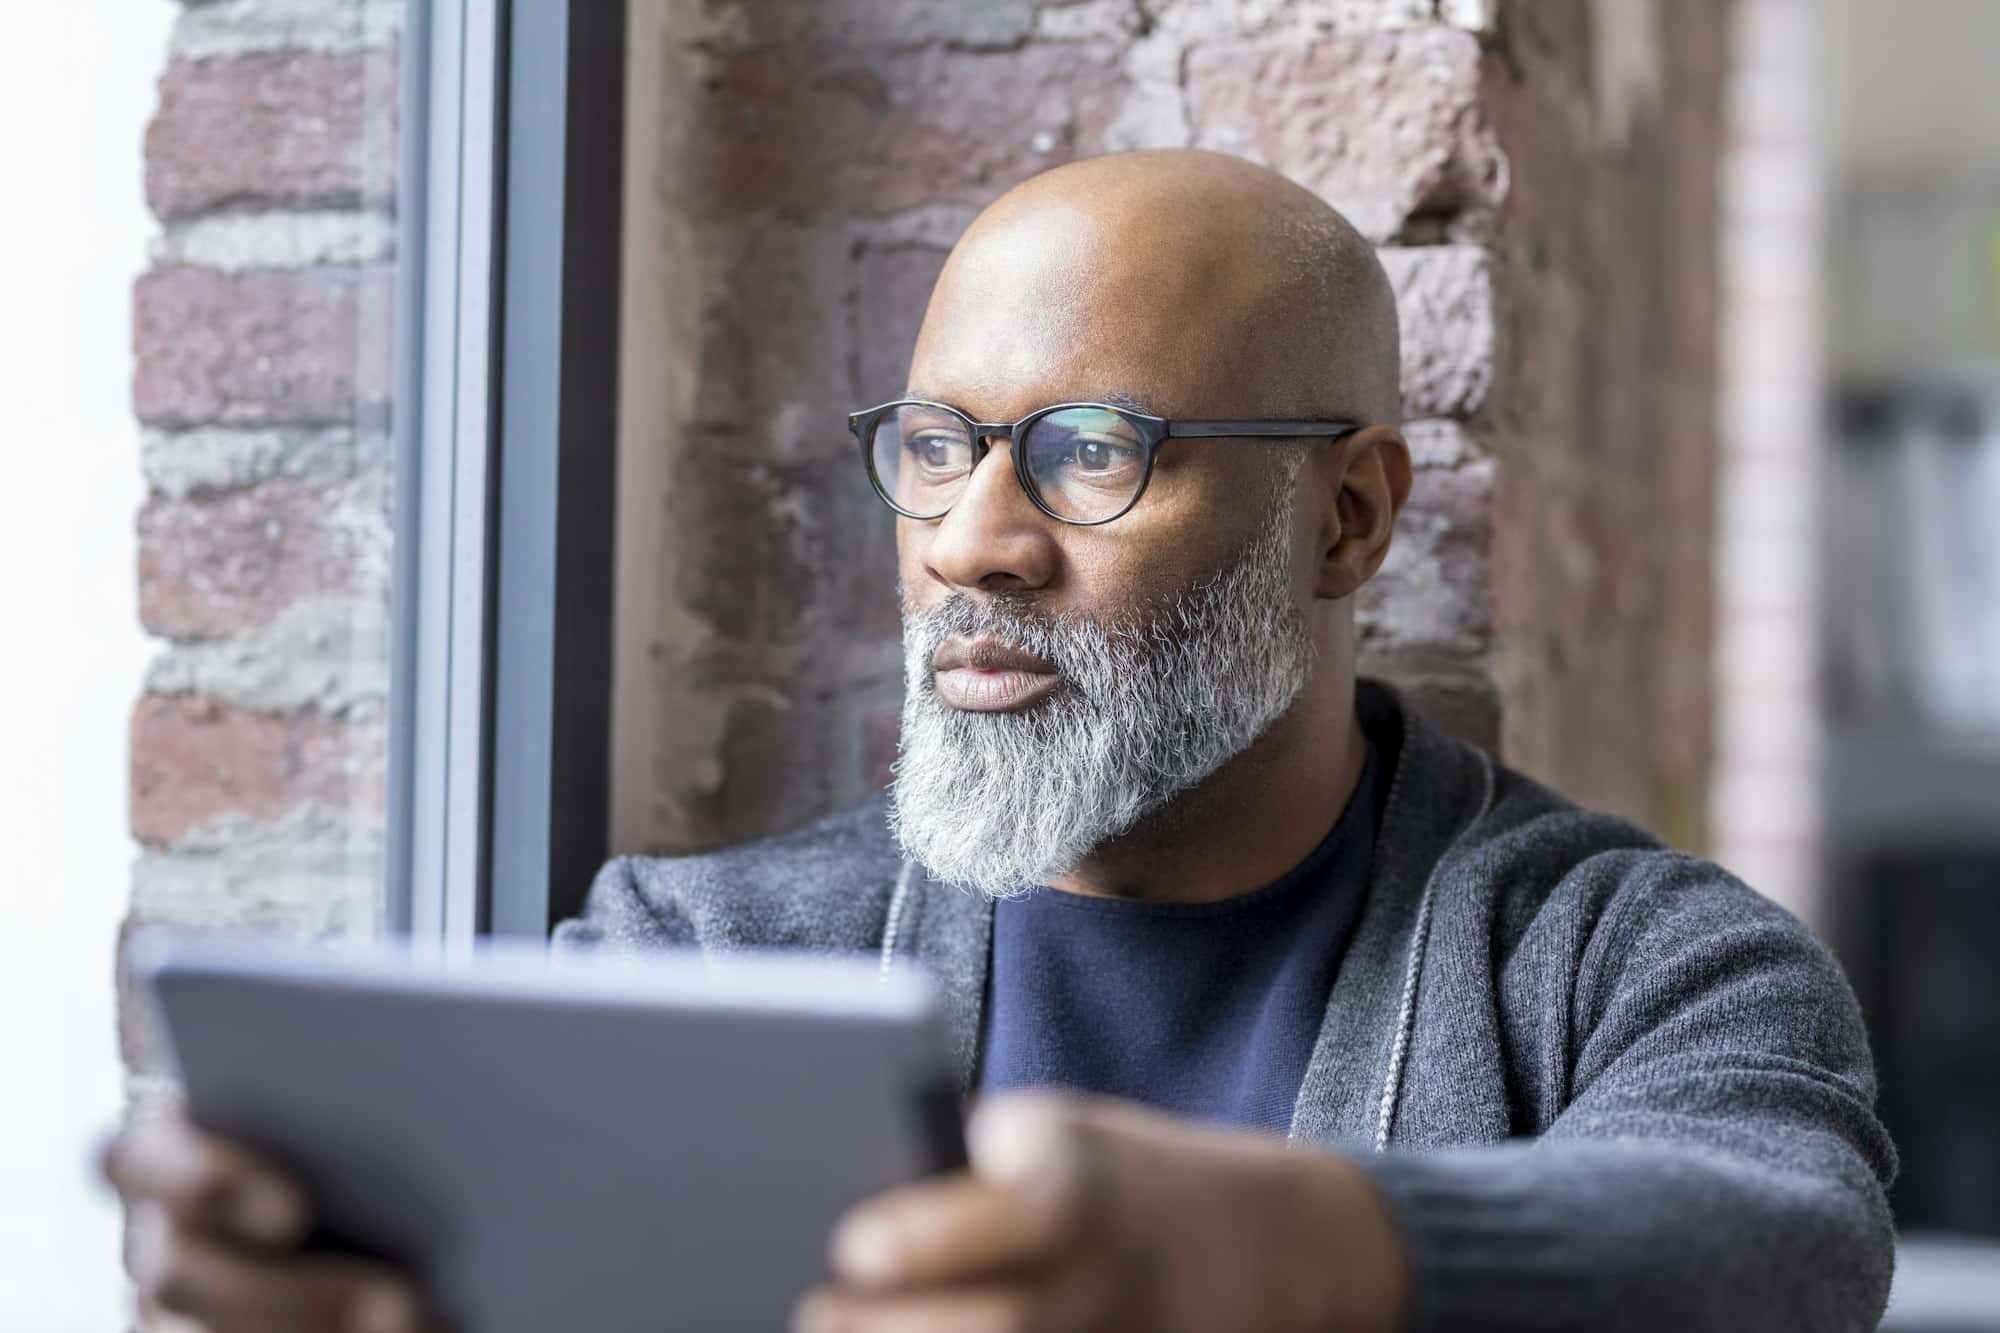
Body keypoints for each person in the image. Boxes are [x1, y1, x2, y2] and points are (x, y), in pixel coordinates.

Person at [103, 149, 1896, 1332]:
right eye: (941, 445)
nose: (970, 539)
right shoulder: (708, 959)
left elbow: (1789, 1243)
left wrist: (1298, 1244)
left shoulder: (1628, 961)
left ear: (1347, 519)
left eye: (1093, 451)